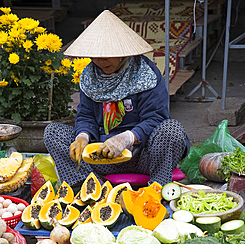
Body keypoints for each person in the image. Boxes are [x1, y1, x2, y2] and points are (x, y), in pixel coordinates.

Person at [44, 10, 190, 191]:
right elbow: (86, 116)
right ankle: (86, 188)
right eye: (95, 56)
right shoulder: (90, 76)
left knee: (172, 130)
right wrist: (82, 136)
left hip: (143, 157)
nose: (101, 61)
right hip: (102, 157)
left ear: (123, 53)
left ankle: (157, 189)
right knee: (53, 132)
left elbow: (156, 119)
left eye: (107, 55)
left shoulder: (145, 74)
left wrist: (126, 139)